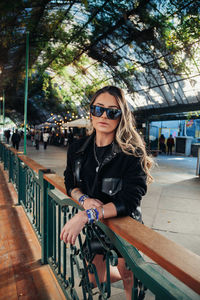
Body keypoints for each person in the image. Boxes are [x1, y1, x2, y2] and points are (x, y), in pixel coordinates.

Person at [60, 86, 153, 300]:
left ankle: (129, 276)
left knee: (129, 277)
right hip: (98, 228)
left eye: (112, 112)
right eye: (99, 109)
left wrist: (86, 214)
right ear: (91, 111)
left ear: (122, 116)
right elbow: (69, 181)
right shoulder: (78, 149)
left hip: (124, 225)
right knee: (93, 279)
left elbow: (130, 201)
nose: (104, 116)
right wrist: (83, 199)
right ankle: (124, 273)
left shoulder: (131, 153)